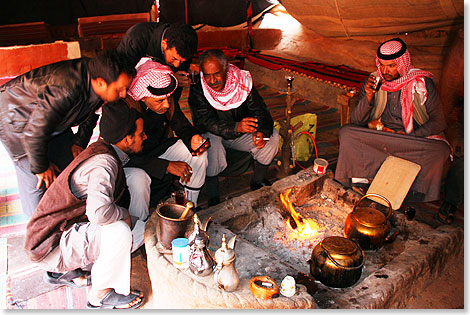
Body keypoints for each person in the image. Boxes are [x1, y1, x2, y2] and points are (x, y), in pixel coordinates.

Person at [24, 102, 147, 309]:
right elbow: (98, 213)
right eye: (141, 133)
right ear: (127, 139)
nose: (145, 137)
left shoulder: (104, 149)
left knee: (137, 186)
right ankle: (100, 295)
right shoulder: (103, 163)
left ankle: (95, 263)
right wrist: (124, 215)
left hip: (63, 232)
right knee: (120, 231)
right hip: (51, 245)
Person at [0, 50, 135, 218]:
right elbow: (33, 132)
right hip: (17, 121)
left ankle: (66, 219)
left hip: (52, 123)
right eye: (120, 89)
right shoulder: (65, 89)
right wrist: (41, 167)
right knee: (36, 182)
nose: (123, 94)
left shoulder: (97, 76)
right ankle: (38, 233)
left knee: (69, 167)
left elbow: (91, 113)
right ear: (100, 83)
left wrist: (78, 142)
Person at [334, 38, 451, 202]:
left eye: (391, 66)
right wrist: (368, 97)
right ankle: (361, 181)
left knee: (440, 150)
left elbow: (439, 122)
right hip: (382, 136)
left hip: (412, 139)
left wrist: (411, 136)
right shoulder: (375, 81)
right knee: (346, 133)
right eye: (382, 64)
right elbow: (356, 121)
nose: (385, 70)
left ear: (402, 63)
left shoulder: (422, 83)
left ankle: (411, 192)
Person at [188, 49, 280, 206]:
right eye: (207, 75)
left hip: (238, 134)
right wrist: (236, 127)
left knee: (272, 138)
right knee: (212, 143)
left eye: (217, 74)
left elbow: (262, 113)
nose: (212, 80)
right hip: (216, 134)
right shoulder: (199, 88)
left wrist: (262, 133)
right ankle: (213, 196)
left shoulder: (242, 83)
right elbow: (205, 121)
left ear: (226, 69)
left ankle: (257, 183)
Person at [122, 57, 208, 209]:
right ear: (143, 98)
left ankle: (189, 206)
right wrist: (165, 166)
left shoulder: (167, 101)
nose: (167, 104)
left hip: (157, 150)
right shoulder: (126, 111)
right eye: (160, 101)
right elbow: (123, 158)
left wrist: (192, 138)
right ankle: (140, 223)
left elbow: (182, 126)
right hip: (132, 161)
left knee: (198, 154)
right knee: (138, 180)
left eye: (168, 98)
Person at [117, 22, 198, 101]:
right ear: (164, 44)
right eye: (174, 58)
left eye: (182, 62)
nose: (177, 65)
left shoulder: (186, 47)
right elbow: (120, 75)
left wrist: (175, 82)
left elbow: (173, 97)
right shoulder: (136, 38)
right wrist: (169, 78)